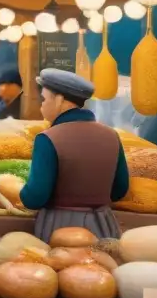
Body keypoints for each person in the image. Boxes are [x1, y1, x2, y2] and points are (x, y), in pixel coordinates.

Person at [20, 69, 130, 243]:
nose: (41, 106)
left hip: (61, 229)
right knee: (104, 267)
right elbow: (120, 190)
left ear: (60, 99)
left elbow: (35, 197)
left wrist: (22, 191)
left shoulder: (47, 138)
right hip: (104, 225)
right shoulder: (112, 136)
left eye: (44, 99)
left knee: (64, 269)